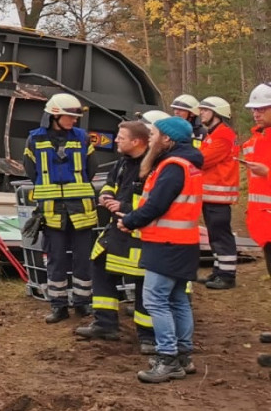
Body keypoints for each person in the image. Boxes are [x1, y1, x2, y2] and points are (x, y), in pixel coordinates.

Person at [117, 116, 204, 383]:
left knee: (155, 299)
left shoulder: (173, 166)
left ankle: (168, 359)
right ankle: (182, 357)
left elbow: (157, 204)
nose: (151, 138)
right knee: (177, 299)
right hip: (182, 243)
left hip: (166, 244)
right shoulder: (186, 163)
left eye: (154, 134)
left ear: (167, 139)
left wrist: (130, 221)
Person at [76, 120, 155, 351]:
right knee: (99, 265)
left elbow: (151, 202)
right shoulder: (123, 162)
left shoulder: (151, 166)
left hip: (141, 234)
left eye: (122, 137)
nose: (117, 140)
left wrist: (122, 204)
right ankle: (105, 323)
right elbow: (111, 182)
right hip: (117, 230)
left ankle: (148, 336)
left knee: (143, 282)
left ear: (137, 141)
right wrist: (106, 197)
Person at [26, 93, 99, 323]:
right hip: (52, 211)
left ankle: (83, 302)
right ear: (55, 115)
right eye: (70, 116)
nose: (74, 121)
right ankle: (58, 305)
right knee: (55, 258)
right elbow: (31, 170)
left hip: (82, 209)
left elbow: (92, 169)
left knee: (83, 258)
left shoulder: (83, 138)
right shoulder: (34, 140)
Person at [239, 83, 271, 368]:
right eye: (254, 109)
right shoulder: (258, 139)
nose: (256, 114)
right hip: (264, 224)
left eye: (261, 108)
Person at [197, 96, 240, 289]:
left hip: (219, 196)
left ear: (217, 113)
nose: (201, 113)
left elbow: (203, 160)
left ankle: (227, 275)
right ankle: (219, 271)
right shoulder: (213, 134)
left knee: (221, 235)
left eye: (205, 110)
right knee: (214, 236)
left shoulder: (223, 135)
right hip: (211, 195)